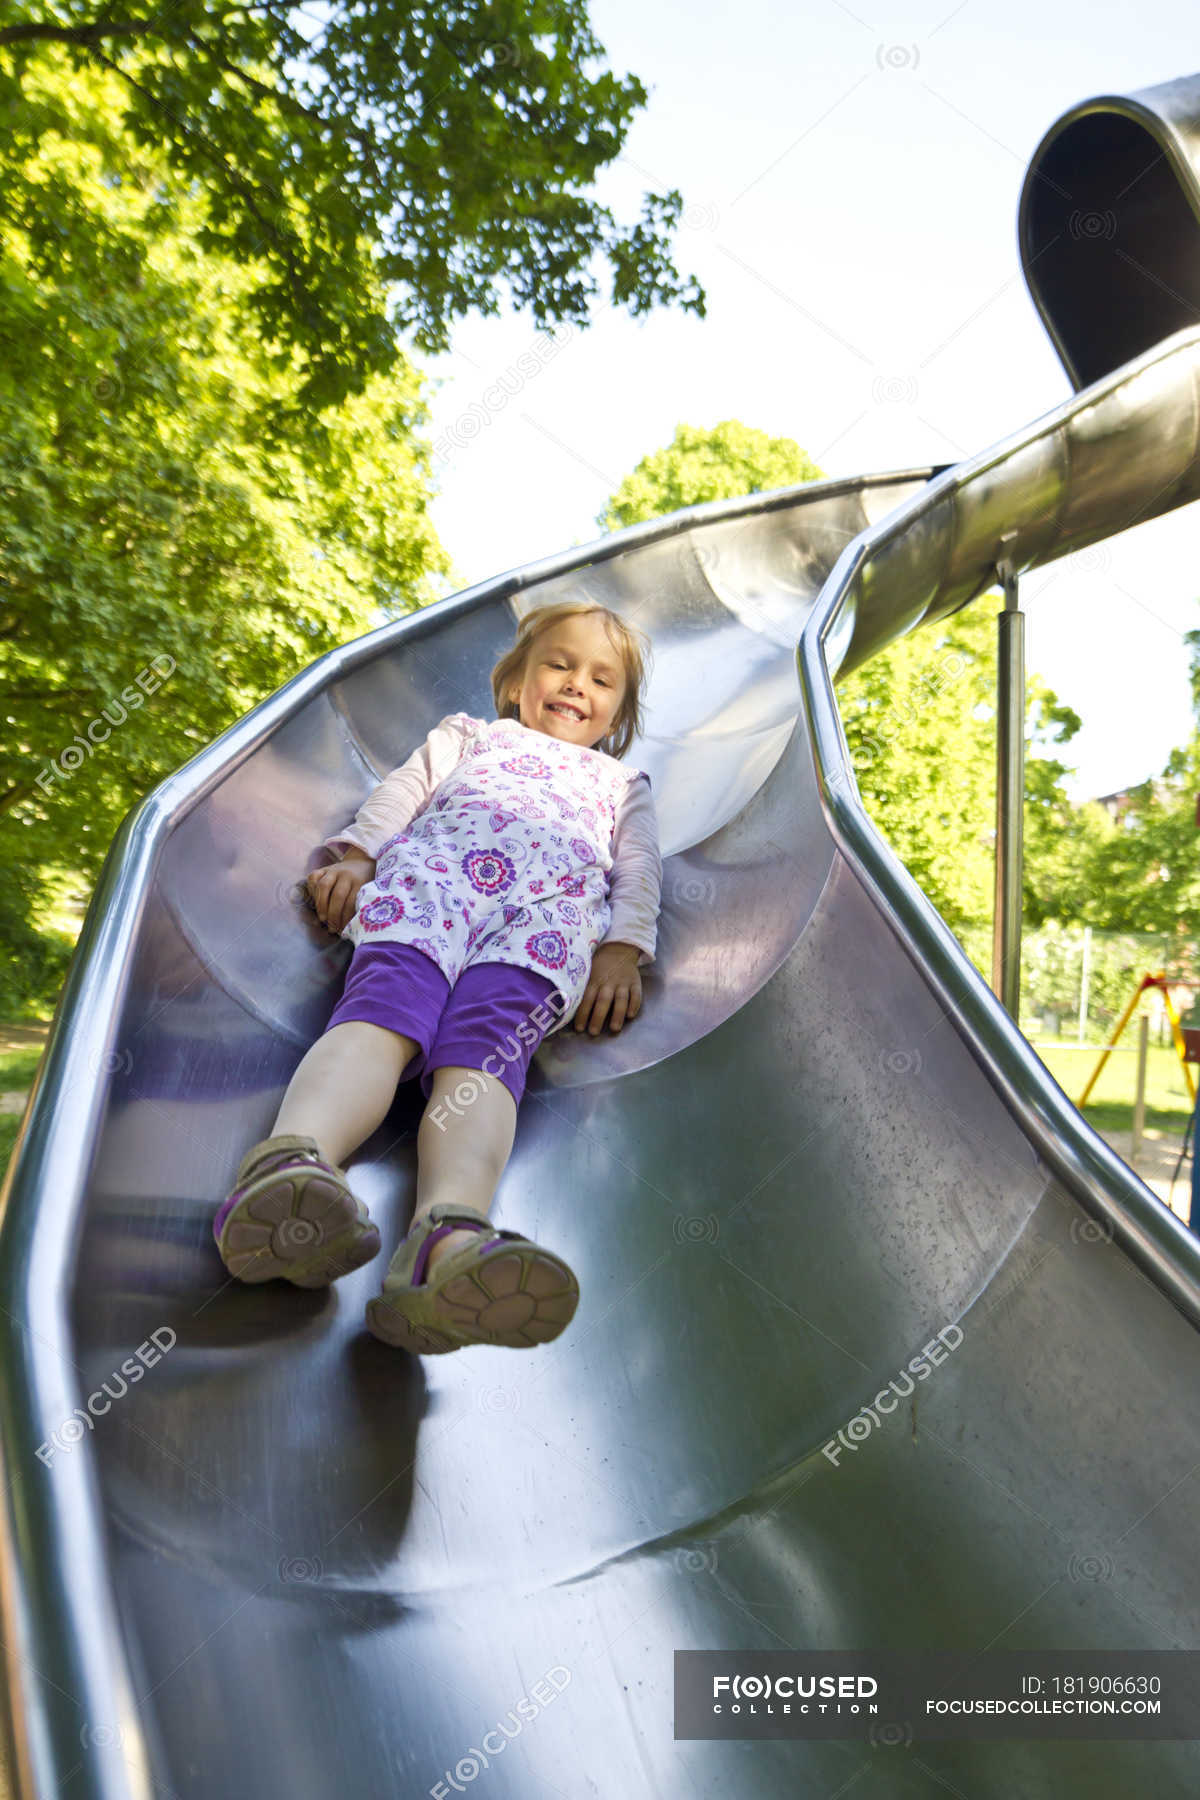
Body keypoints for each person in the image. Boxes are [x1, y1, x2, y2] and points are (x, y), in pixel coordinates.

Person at [212, 601, 662, 1355]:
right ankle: (294, 1161)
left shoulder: (621, 783)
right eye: (558, 663)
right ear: (515, 680)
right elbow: (402, 793)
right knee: (378, 1021)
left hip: (540, 928)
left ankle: (447, 1242)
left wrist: (623, 949)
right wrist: (358, 852)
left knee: (484, 1068)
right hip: (433, 890)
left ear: (617, 712)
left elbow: (640, 867)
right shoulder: (471, 735)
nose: (576, 684)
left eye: (601, 679)